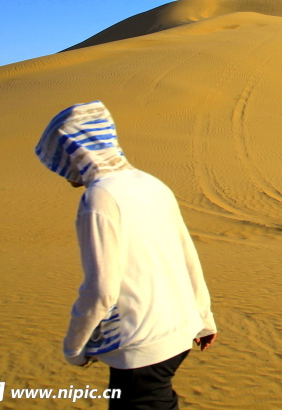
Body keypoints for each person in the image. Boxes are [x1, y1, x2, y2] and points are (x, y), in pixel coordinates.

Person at [35, 100, 217, 409]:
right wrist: (204, 317)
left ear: (75, 152)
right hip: (180, 331)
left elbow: (101, 290)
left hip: (141, 346)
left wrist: (74, 349)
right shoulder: (150, 183)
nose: (59, 169)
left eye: (59, 157)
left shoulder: (100, 197)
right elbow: (187, 254)